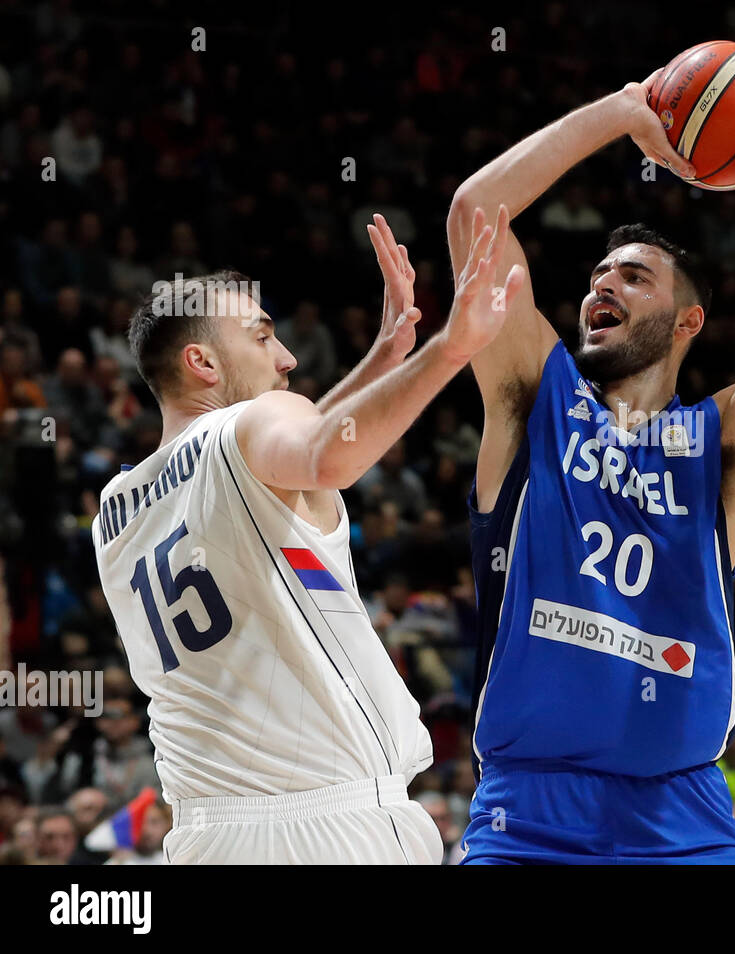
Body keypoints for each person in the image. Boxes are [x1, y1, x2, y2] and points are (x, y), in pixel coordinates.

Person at [449, 72, 735, 863]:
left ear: (688, 320)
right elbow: (474, 216)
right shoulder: (538, 398)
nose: (604, 282)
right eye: (600, 274)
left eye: (634, 276)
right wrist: (621, 114)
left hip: (684, 812)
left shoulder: (719, 442)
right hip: (528, 810)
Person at [92, 211, 521, 863]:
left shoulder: (115, 510)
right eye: (263, 337)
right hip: (328, 826)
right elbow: (321, 455)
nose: (287, 358)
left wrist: (383, 359)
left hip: (205, 835)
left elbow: (292, 455)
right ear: (203, 361)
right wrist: (451, 349)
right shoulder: (248, 424)